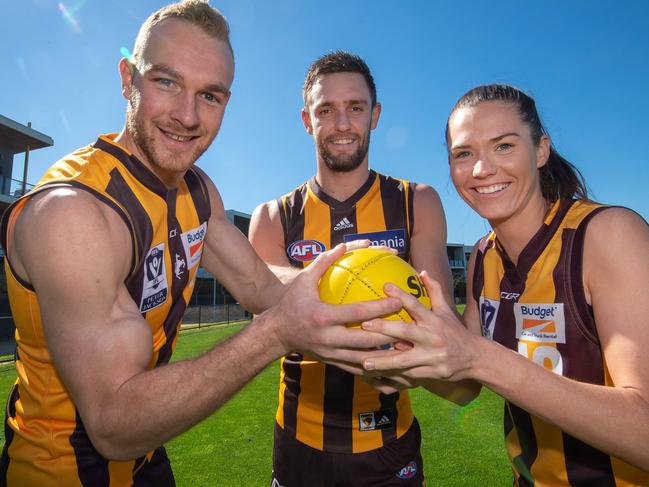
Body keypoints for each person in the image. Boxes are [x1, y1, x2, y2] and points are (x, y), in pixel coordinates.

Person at [0, 4, 402, 486]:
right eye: (166, 82)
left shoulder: (196, 190)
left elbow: (258, 282)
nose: (187, 116)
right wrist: (276, 334)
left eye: (209, 95)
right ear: (128, 79)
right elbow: (112, 424)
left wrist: (368, 306)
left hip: (149, 463)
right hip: (60, 472)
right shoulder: (73, 213)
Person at [358, 84, 649, 485]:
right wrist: (406, 362)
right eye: (464, 154)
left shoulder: (606, 235)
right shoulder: (484, 257)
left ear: (541, 150)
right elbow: (465, 387)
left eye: (504, 146)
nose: (482, 169)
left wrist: (479, 356)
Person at [250, 51, 474, 487]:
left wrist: (403, 356)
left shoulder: (417, 202)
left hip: (389, 447)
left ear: (375, 115)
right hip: (299, 446)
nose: (342, 123)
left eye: (355, 107)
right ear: (306, 120)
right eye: (325, 110)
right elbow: (268, 329)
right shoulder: (272, 217)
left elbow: (440, 326)